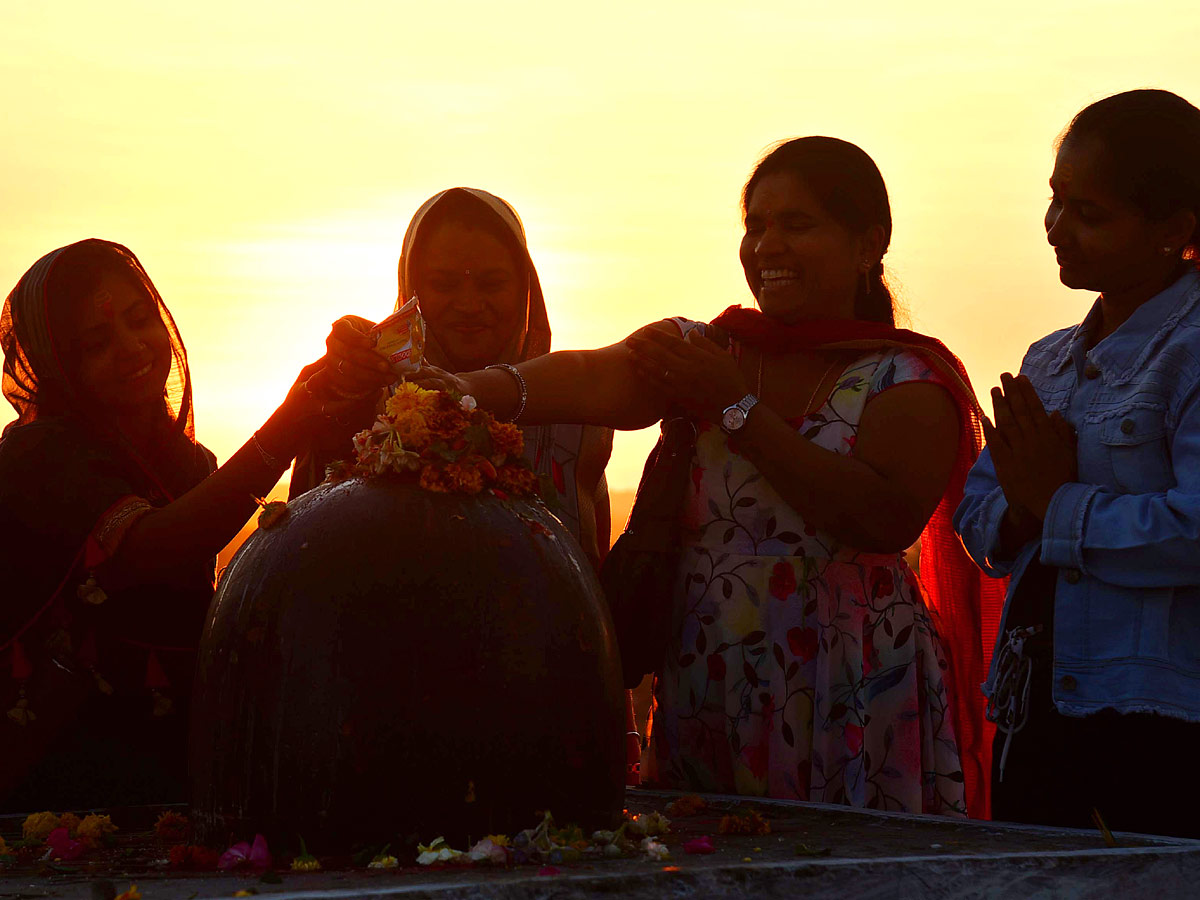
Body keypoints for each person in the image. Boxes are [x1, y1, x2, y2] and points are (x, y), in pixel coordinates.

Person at [413, 139, 1001, 816]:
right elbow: (595, 376)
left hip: (850, 686)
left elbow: (880, 515)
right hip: (715, 680)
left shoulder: (909, 379)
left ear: (869, 243)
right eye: (755, 226)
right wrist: (458, 389)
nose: (767, 246)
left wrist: (736, 407)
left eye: (797, 225)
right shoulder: (711, 348)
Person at [0, 238, 355, 810]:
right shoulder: (40, 458)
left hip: (173, 757)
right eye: (96, 344)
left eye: (141, 320)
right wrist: (290, 422)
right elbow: (152, 549)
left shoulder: (186, 462)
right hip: (55, 770)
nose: (131, 347)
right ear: (60, 367)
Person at [954, 89, 1200, 837]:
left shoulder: (1188, 355)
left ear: (1173, 231)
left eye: (1090, 214)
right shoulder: (1051, 358)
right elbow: (979, 512)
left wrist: (1056, 504)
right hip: (1038, 706)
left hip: (1158, 722)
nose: (1057, 229)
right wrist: (1025, 507)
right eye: (1056, 201)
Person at [294, 187, 613, 571]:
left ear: (525, 288)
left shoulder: (573, 415)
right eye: (444, 284)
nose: (468, 304)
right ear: (412, 289)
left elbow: (589, 578)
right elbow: (304, 556)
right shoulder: (357, 394)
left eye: (492, 283)